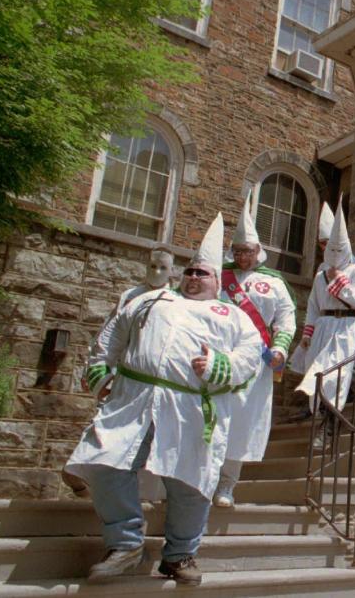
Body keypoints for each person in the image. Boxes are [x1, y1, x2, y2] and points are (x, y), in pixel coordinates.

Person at [64, 213, 262, 586]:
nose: (192, 277)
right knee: (105, 461)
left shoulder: (232, 316)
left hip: (190, 406)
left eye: (202, 273)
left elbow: (249, 357)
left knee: (191, 481)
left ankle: (179, 554)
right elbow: (111, 337)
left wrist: (219, 365)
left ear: (217, 281)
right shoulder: (151, 300)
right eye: (189, 271)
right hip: (133, 397)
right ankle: (124, 545)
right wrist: (101, 371)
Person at [63, 247, 177, 500]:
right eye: (152, 266)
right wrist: (96, 370)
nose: (156, 272)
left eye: (163, 268)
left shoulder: (176, 301)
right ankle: (87, 478)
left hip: (154, 385)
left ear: (173, 271)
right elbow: (109, 334)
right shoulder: (130, 295)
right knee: (108, 430)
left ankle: (140, 496)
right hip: (123, 378)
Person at [213, 191, 297, 508]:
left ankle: (226, 484)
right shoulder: (218, 277)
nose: (243, 256)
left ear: (258, 250)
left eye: (247, 250)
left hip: (254, 362)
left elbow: (286, 318)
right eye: (237, 250)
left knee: (242, 422)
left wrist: (279, 348)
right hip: (218, 356)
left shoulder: (273, 283)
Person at [292, 199, 355, 439]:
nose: (335, 254)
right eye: (330, 249)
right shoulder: (319, 277)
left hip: (345, 326)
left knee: (338, 372)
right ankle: (321, 414)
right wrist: (307, 333)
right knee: (318, 372)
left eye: (339, 249)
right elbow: (314, 307)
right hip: (324, 326)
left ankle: (330, 422)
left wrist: (339, 280)